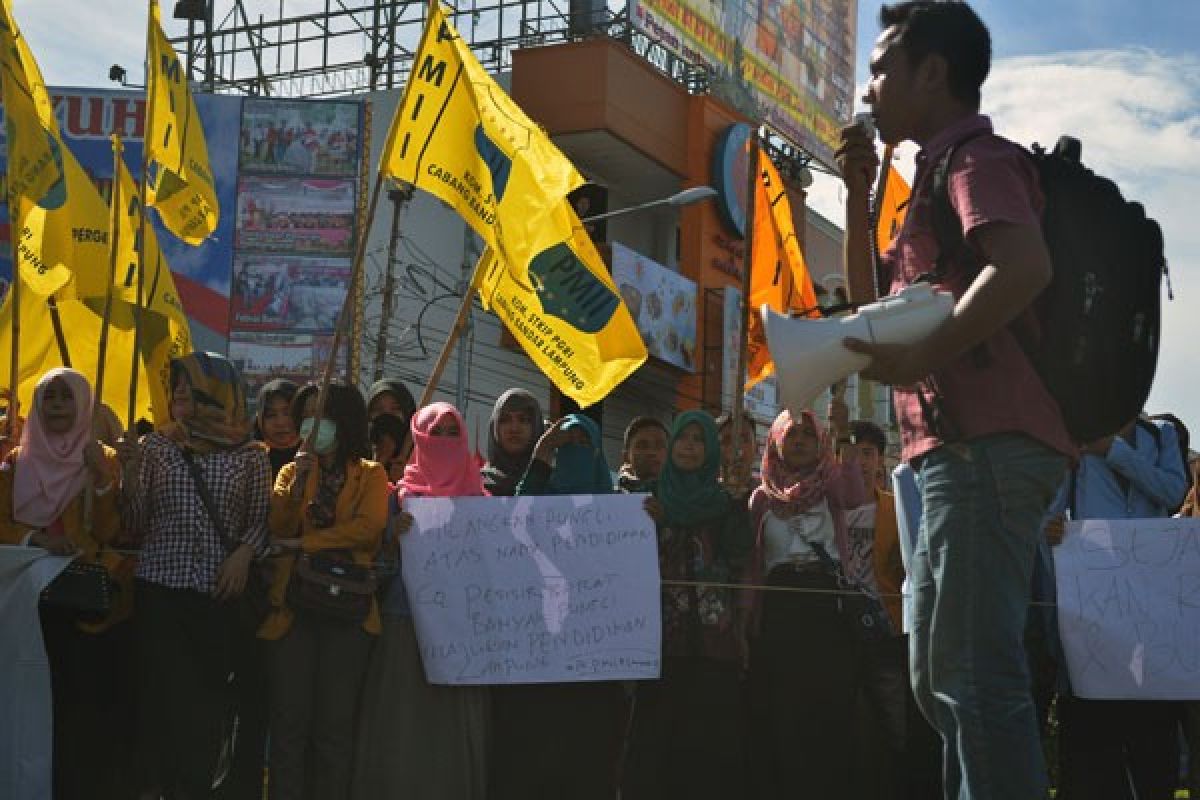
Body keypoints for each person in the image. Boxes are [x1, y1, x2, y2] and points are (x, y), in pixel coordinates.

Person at [836, 3, 1074, 795]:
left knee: (975, 679)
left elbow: (1024, 266)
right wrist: (857, 190)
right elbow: (871, 315)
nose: (869, 87)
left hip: (986, 448)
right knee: (941, 678)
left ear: (931, 72)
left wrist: (927, 356)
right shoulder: (925, 178)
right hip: (948, 456)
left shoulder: (974, 159)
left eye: (881, 67)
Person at [124, 353, 271, 800]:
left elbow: (262, 520)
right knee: (163, 698)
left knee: (208, 702)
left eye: (190, 386)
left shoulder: (252, 455)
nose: (179, 395)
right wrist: (128, 473)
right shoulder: (157, 447)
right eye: (176, 388)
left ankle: (197, 789)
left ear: (219, 389)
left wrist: (244, 553)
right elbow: (135, 522)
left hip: (217, 593)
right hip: (160, 590)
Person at [352, 402, 489, 800]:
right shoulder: (397, 498)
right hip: (403, 625)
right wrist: (392, 542)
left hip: (461, 632)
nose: (443, 441)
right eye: (435, 432)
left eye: (452, 432)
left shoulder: (483, 501)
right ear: (418, 438)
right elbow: (374, 572)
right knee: (402, 726)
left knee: (450, 731)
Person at [0, 368, 126, 799]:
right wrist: (38, 540)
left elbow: (112, 533)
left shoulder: (100, 458)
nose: (56, 405)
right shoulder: (14, 461)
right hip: (25, 605)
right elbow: (1, 525)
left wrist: (104, 480)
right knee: (25, 702)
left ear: (84, 404)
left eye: (65, 397)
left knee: (76, 708)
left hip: (81, 605)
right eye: (48, 397)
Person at [258, 382, 386, 800]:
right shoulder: (292, 470)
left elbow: (368, 531)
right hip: (294, 610)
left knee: (333, 730)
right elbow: (277, 528)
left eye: (324, 415)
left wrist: (306, 544)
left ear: (343, 421)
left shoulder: (370, 474)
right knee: (289, 726)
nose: (314, 424)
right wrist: (296, 491)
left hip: (348, 614)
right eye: (307, 414)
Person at [1052, 415, 1189, 800]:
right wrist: (1049, 527)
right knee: (1097, 721)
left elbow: (1173, 491)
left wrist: (1114, 451)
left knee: (1153, 720)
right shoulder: (1076, 436)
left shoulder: (1158, 436)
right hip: (1096, 599)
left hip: (1152, 600)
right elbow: (1054, 505)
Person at [489, 413, 624, 800]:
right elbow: (514, 524)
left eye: (583, 446)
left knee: (586, 762)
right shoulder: (536, 501)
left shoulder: (618, 511)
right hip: (537, 663)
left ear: (598, 452)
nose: (574, 453)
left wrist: (649, 520)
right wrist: (541, 456)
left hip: (592, 666)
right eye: (566, 446)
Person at [622, 410, 752, 800]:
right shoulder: (648, 498)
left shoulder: (725, 499)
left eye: (699, 439)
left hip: (714, 644)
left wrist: (736, 505)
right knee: (655, 747)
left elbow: (740, 554)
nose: (690, 446)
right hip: (659, 645)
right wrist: (660, 523)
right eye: (683, 438)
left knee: (707, 752)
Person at [744, 405, 865, 799]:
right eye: (791, 434)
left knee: (827, 711)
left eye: (807, 435)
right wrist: (748, 622)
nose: (798, 442)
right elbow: (753, 564)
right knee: (783, 713)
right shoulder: (761, 498)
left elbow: (855, 493)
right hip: (780, 614)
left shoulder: (830, 485)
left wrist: (844, 435)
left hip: (825, 611)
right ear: (777, 441)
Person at [218, 378, 300, 800]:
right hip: (249, 600)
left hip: (299, 604)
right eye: (272, 413)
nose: (282, 422)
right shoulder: (247, 460)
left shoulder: (316, 465)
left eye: (290, 412)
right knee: (246, 701)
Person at [480, 388, 545, 497]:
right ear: (494, 427)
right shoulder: (475, 487)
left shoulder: (554, 483)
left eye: (524, 419)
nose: (514, 429)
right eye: (505, 420)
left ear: (536, 426)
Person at [617, 416, 669, 493]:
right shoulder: (608, 500)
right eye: (642, 446)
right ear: (626, 457)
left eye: (659, 446)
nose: (652, 452)